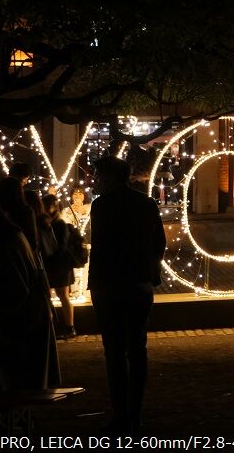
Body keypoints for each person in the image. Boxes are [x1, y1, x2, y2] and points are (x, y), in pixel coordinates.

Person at [88, 156, 166, 432]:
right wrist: (146, 267)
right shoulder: (146, 203)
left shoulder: (102, 205)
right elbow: (160, 243)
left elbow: (99, 244)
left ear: (108, 177)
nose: (95, 180)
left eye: (98, 175)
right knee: (137, 348)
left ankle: (120, 412)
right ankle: (135, 412)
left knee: (114, 350)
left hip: (108, 284)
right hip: (139, 281)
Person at [0, 192, 60, 391]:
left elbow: (14, 291)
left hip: (21, 323)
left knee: (14, 382)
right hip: (28, 317)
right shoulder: (12, 236)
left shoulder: (5, 243)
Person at [40, 193, 77, 339]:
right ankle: (61, 328)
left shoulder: (58, 224)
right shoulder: (48, 223)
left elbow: (61, 246)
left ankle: (69, 327)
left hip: (59, 266)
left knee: (62, 296)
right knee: (54, 297)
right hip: (56, 266)